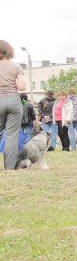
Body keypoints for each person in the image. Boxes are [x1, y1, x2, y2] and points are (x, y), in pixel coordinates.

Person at [0, 40, 27, 169]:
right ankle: (10, 167)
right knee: (11, 135)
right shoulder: (16, 67)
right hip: (13, 101)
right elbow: (21, 87)